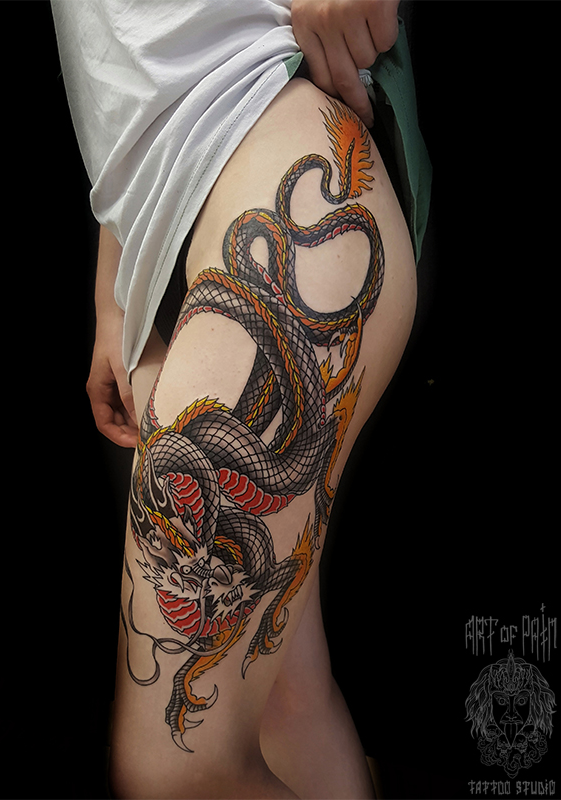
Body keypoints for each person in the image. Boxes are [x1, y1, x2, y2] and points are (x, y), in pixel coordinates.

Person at [52, 1, 429, 796]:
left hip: (275, 152)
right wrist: (115, 292)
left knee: (173, 773)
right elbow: (130, 62)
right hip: (173, 236)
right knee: (287, 704)